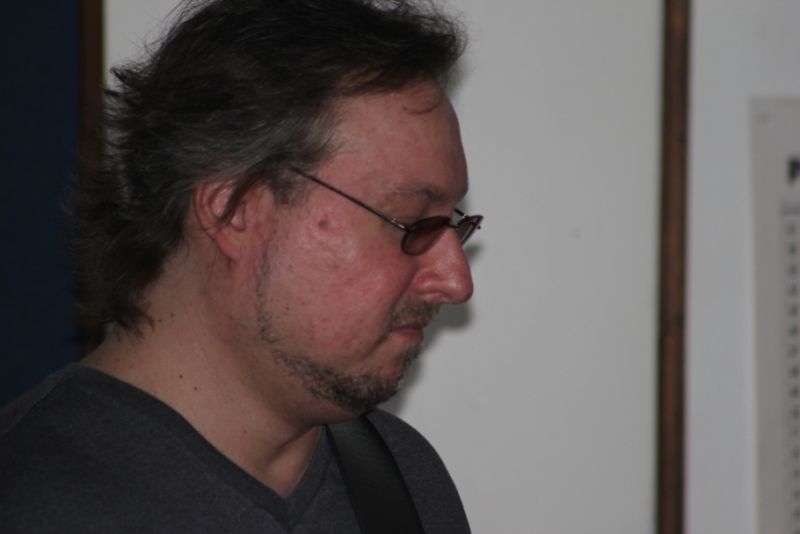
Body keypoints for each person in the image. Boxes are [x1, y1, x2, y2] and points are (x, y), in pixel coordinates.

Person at [0, 0, 482, 532]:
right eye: (410, 222)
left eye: (452, 224)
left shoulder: (404, 481)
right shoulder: (33, 503)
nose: (456, 281)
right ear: (232, 211)